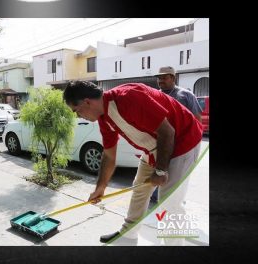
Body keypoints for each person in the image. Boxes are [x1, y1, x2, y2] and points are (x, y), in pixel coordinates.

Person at [63, 81, 202, 244]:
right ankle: (128, 234)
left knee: (169, 202)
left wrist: (160, 171)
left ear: (87, 102)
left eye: (77, 111)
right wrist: (100, 188)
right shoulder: (104, 119)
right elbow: (109, 155)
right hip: (156, 146)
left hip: (183, 140)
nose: (79, 116)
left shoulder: (128, 98)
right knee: (140, 189)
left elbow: (167, 131)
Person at [150, 66, 203, 204]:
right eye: (159, 78)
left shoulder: (185, 95)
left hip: (183, 144)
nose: (160, 80)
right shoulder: (155, 95)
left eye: (164, 77)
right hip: (162, 143)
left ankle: (175, 200)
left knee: (178, 177)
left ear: (173, 78)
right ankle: (159, 198)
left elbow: (197, 120)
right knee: (160, 170)